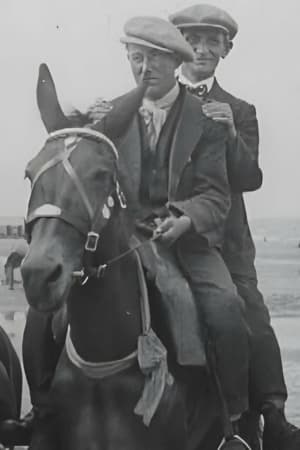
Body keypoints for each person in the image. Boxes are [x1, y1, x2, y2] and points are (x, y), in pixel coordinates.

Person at [114, 16, 252, 449]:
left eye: (154, 60)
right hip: (125, 241)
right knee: (53, 309)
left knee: (228, 308)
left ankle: (232, 421)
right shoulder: (113, 115)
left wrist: (186, 219)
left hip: (188, 241)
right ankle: (42, 406)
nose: (144, 69)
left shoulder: (207, 120)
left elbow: (217, 194)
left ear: (176, 61)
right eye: (136, 58)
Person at [169, 4, 300, 449]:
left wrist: (230, 136)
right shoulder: (160, 100)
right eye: (192, 39)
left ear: (227, 48)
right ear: (177, 45)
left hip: (228, 241)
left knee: (252, 316)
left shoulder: (241, 109)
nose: (201, 49)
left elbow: (250, 178)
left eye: (212, 41)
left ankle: (271, 415)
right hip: (169, 235)